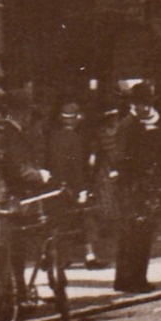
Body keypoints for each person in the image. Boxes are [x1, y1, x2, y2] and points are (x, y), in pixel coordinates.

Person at [105, 83, 161, 293]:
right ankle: (132, 280)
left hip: (140, 185)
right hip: (134, 187)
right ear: (134, 104)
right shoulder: (129, 124)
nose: (144, 107)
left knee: (137, 233)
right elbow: (121, 157)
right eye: (140, 103)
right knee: (136, 234)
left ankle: (130, 278)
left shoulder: (142, 122)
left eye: (146, 103)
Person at [46, 102, 103, 269]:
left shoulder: (53, 137)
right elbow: (76, 167)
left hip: (55, 185)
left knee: (61, 222)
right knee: (85, 218)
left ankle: (63, 256)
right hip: (72, 187)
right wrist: (82, 189)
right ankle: (90, 255)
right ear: (76, 118)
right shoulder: (75, 139)